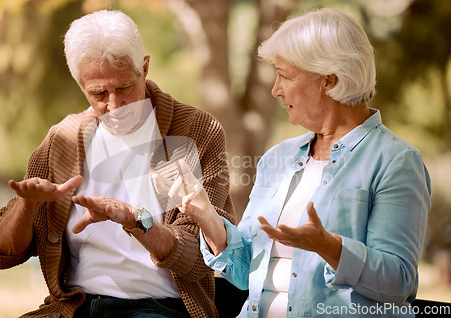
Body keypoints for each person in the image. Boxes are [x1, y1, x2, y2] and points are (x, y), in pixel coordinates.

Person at [160, 8, 431, 318]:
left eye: (285, 75)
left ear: (329, 81)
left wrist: (329, 246)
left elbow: (398, 284)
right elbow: (247, 267)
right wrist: (206, 216)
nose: (276, 89)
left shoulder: (396, 162)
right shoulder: (279, 158)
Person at [0, 10, 234, 318]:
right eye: (99, 93)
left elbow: (202, 256)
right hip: (74, 306)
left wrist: (135, 221)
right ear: (81, 86)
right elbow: (3, 254)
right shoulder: (62, 139)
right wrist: (26, 207)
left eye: (124, 88)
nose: (114, 106)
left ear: (144, 68)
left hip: (160, 307)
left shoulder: (196, 132)